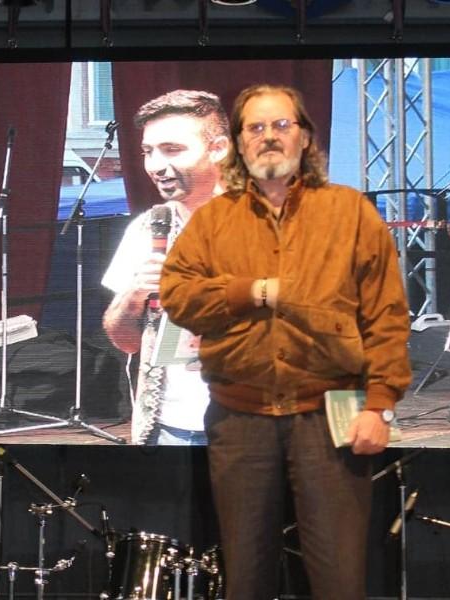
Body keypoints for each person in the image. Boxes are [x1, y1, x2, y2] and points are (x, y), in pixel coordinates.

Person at [159, 84, 411, 599]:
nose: (269, 137)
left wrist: (380, 406)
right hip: (240, 420)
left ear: (305, 137)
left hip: (331, 417)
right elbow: (178, 297)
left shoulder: (350, 212)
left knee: (340, 581)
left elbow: (386, 316)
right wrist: (255, 291)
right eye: (255, 128)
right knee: (245, 579)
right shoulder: (213, 220)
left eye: (281, 125)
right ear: (238, 143)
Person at [101, 90, 230, 445]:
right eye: (148, 151)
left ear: (218, 149)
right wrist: (134, 295)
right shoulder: (146, 229)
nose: (156, 165)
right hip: (169, 431)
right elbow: (125, 342)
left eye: (172, 149)